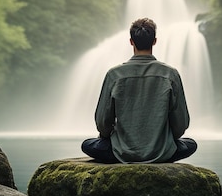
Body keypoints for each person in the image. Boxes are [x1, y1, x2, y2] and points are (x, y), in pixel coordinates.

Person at [81, 17, 197, 163]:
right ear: (154, 41)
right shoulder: (170, 74)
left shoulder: (114, 75)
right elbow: (181, 124)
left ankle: (122, 154)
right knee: (190, 144)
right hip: (161, 152)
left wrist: (112, 138)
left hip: (121, 152)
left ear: (131, 41)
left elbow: (102, 123)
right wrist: (164, 141)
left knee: (88, 145)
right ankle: (160, 153)